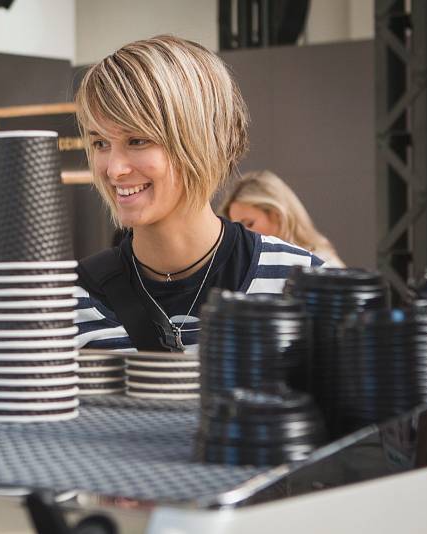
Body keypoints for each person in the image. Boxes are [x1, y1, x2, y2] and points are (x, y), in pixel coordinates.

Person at [73, 35, 324, 353]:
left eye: (137, 140)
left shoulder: (305, 287)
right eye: (100, 143)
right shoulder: (66, 305)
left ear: (199, 139)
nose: (113, 169)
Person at [219, 170, 345, 267]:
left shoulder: (321, 265)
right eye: (238, 228)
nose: (242, 235)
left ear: (278, 215)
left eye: (250, 224)